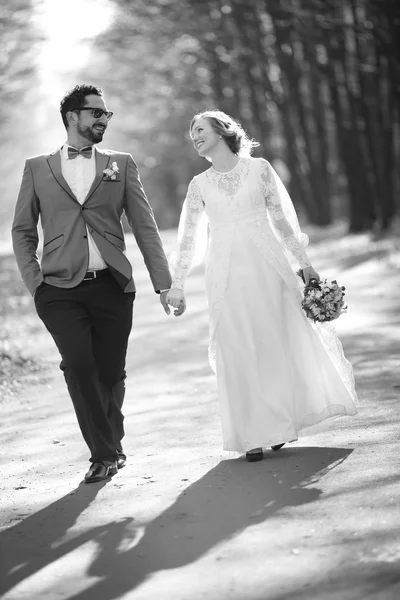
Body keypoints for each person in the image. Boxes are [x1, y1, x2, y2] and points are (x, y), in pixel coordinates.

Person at [166, 110, 357, 462]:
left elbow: (282, 221)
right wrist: (176, 283)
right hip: (224, 274)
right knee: (236, 346)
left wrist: (305, 264)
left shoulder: (260, 169)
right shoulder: (199, 185)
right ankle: (250, 434)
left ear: (223, 131)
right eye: (191, 132)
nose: (194, 136)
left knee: (274, 341)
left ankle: (280, 420)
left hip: (269, 267)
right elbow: (189, 239)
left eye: (200, 129)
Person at [12, 84, 175, 482]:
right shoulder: (38, 167)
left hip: (112, 286)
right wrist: (36, 284)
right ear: (73, 116)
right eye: (97, 112)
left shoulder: (121, 163)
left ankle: (111, 440)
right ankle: (102, 455)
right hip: (58, 289)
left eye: (107, 114)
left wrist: (164, 283)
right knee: (79, 367)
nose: (105, 119)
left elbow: (145, 227)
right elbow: (22, 230)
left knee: (110, 372)